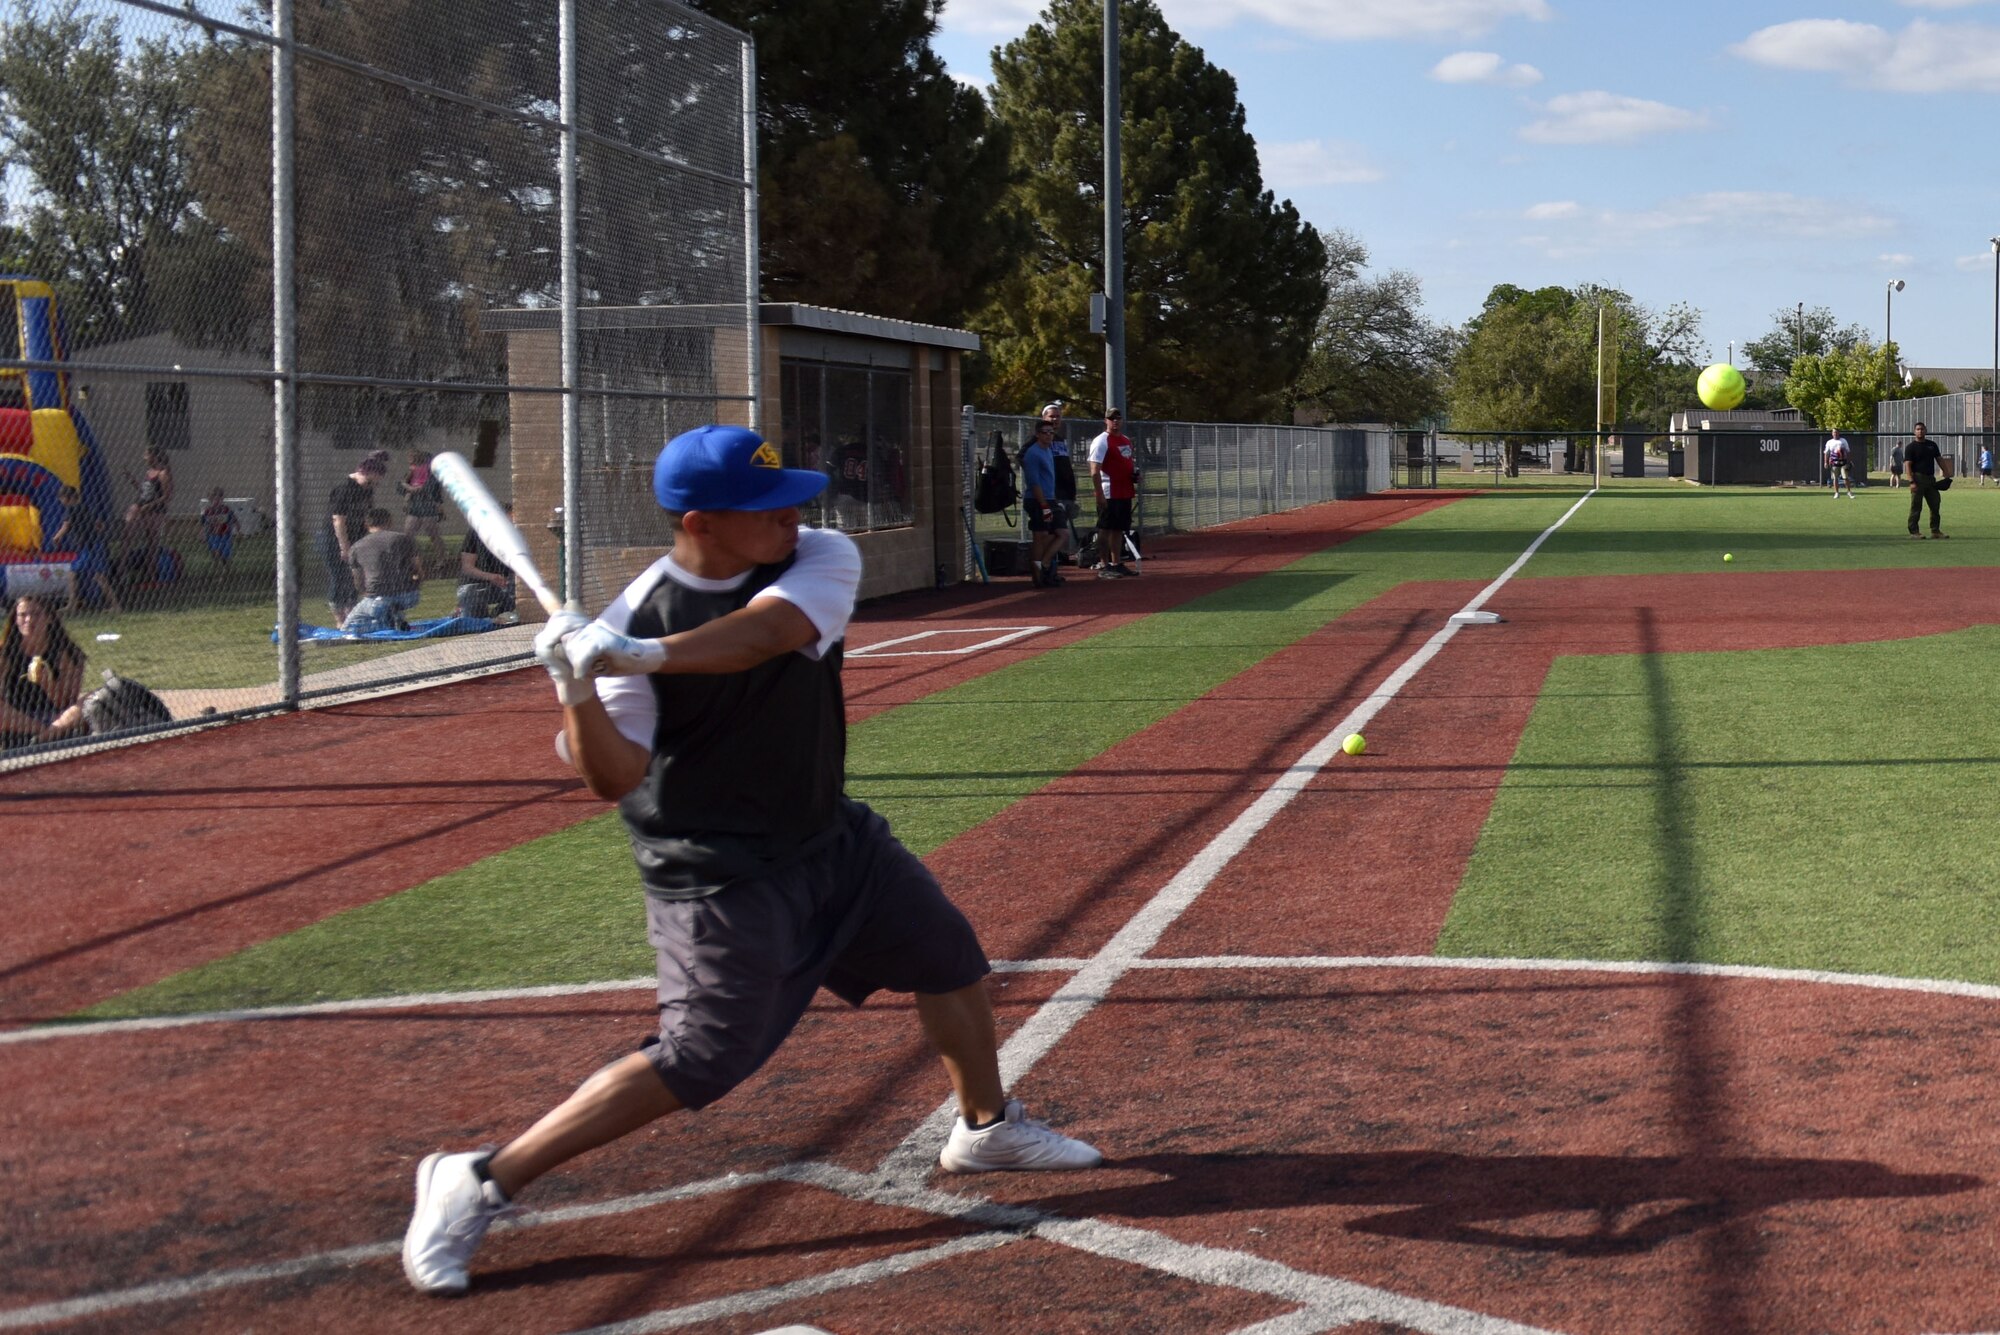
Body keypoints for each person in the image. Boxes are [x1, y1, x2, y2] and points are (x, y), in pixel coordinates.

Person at [400, 424, 1103, 1297]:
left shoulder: (816, 559)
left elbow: (765, 633)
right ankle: (479, 1177)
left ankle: (986, 1126)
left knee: (948, 956)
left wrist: (639, 655)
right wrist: (577, 682)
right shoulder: (629, 623)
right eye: (766, 506)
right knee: (701, 1056)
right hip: (716, 868)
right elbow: (611, 776)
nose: (793, 515)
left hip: (826, 835)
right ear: (699, 520)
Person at [0, 595, 87, 750]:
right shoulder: (5, 652)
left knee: (91, 698)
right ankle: (46, 734)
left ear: (49, 619)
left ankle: (47, 735)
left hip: (55, 716)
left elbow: (67, 703)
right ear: (15, 620)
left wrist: (47, 683)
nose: (29, 620)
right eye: (22, 615)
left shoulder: (66, 653)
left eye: (36, 614)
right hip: (17, 719)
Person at [320, 454, 386, 623]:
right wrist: (344, 546)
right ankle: (339, 619)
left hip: (357, 538)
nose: (374, 485)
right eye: (374, 480)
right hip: (335, 539)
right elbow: (338, 520)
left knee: (354, 579)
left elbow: (366, 518)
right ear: (366, 472)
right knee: (339, 578)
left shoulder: (366, 491)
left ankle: (352, 616)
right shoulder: (344, 490)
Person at [342, 507, 424, 633]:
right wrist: (417, 583)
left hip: (377, 596)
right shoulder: (403, 539)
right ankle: (395, 617)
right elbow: (418, 568)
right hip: (408, 594)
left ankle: (388, 618)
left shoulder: (356, 547)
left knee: (348, 628)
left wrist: (365, 593)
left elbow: (358, 580)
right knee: (387, 606)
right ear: (389, 521)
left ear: (366, 524)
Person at [48, 485, 121, 614]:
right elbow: (98, 523)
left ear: (67, 498)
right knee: (74, 574)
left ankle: (115, 605)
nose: (61, 501)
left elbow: (66, 525)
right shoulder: (84, 507)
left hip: (90, 547)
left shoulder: (72, 510)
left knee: (98, 577)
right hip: (90, 546)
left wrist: (56, 537)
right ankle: (72, 604)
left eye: (62, 498)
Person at [1086, 408, 1139, 579]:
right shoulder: (1101, 441)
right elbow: (1095, 471)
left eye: (1118, 418)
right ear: (1105, 421)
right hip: (1109, 493)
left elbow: (1127, 463)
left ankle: (1117, 563)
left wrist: (1134, 476)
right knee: (1105, 528)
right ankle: (1104, 564)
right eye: (1111, 418)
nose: (1115, 421)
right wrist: (1099, 494)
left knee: (1118, 529)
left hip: (1125, 492)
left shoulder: (1125, 441)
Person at [455, 500, 518, 621]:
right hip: (474, 584)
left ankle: (498, 615)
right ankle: (462, 611)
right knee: (475, 619)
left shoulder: (514, 536)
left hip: (504, 585)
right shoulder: (475, 533)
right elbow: (467, 567)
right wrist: (490, 577)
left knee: (520, 591)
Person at [1021, 420, 1065, 587]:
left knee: (1062, 533)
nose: (1049, 435)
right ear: (1038, 434)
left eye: (1051, 432)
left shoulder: (1048, 451)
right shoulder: (1033, 454)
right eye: (1045, 432)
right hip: (1037, 500)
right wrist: (1044, 506)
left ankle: (1045, 563)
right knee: (1040, 536)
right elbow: (1034, 482)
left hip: (1050, 498)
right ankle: (1037, 577)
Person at [122, 447, 173, 581]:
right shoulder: (148, 472)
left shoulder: (162, 473)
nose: (144, 457)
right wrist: (131, 479)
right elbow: (145, 492)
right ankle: (123, 570)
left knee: (152, 542)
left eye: (146, 455)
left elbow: (167, 496)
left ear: (154, 456)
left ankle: (151, 574)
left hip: (155, 511)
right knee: (127, 535)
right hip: (140, 506)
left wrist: (149, 506)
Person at [399, 450, 449, 573]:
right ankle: (409, 561)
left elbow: (432, 491)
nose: (411, 465)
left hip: (428, 506)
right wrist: (409, 489)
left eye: (413, 462)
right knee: (408, 535)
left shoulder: (431, 474)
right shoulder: (410, 473)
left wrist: (440, 509)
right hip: (414, 507)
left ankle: (441, 561)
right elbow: (401, 487)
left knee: (433, 535)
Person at [1904, 421, 1946, 539]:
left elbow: (1939, 459)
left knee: (1935, 504)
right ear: (1914, 432)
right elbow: (1908, 465)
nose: (1920, 431)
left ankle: (1935, 531)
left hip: (1930, 479)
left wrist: (1947, 473)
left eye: (1922, 429)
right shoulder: (1910, 447)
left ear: (1926, 431)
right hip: (1917, 478)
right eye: (1918, 429)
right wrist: (1911, 481)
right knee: (1916, 506)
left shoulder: (1932, 445)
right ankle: (1914, 532)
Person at [200, 487, 240, 568]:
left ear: (222, 499)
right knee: (215, 551)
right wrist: (202, 534)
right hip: (212, 535)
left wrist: (238, 530)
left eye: (219, 499)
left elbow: (234, 520)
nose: (216, 502)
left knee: (225, 555)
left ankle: (226, 567)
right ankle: (216, 564)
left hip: (225, 535)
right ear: (210, 500)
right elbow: (203, 524)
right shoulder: (207, 511)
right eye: (214, 500)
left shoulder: (226, 510)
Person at [1822, 429, 1855, 500]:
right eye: (1834, 432)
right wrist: (1825, 462)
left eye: (1836, 432)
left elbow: (1848, 451)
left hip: (1843, 462)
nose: (1835, 434)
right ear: (1832, 433)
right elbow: (1826, 453)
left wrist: (1850, 461)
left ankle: (1849, 492)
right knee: (1835, 478)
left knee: (1845, 477)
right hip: (1834, 463)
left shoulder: (1843, 441)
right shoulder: (1829, 442)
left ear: (1839, 433)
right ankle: (1836, 493)